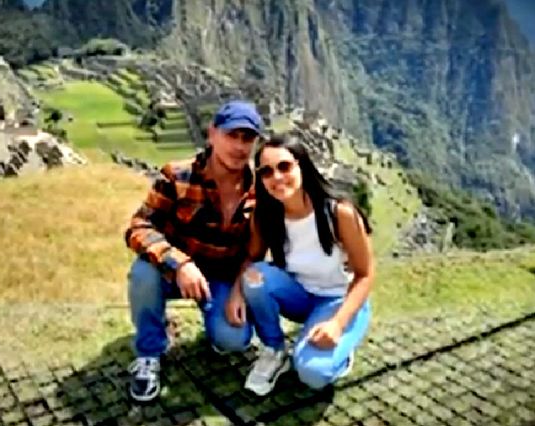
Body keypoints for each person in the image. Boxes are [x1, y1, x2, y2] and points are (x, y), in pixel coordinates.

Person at [124, 100, 264, 402]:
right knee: (143, 273)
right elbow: (138, 227)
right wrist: (180, 264)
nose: (239, 146)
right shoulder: (178, 176)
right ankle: (149, 352)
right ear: (212, 134)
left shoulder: (260, 190)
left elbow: (254, 251)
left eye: (247, 138)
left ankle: (216, 326)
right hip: (174, 274)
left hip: (222, 278)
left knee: (234, 341)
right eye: (231, 135)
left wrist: (239, 291)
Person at [225, 133, 374, 396]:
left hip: (338, 299)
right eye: (266, 171)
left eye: (284, 166)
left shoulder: (339, 213)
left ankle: (339, 354)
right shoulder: (266, 215)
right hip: (298, 296)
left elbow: (365, 274)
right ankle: (274, 349)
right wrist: (237, 292)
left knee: (312, 374)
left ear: (302, 166)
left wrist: (337, 324)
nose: (277, 177)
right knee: (254, 277)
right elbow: (253, 258)